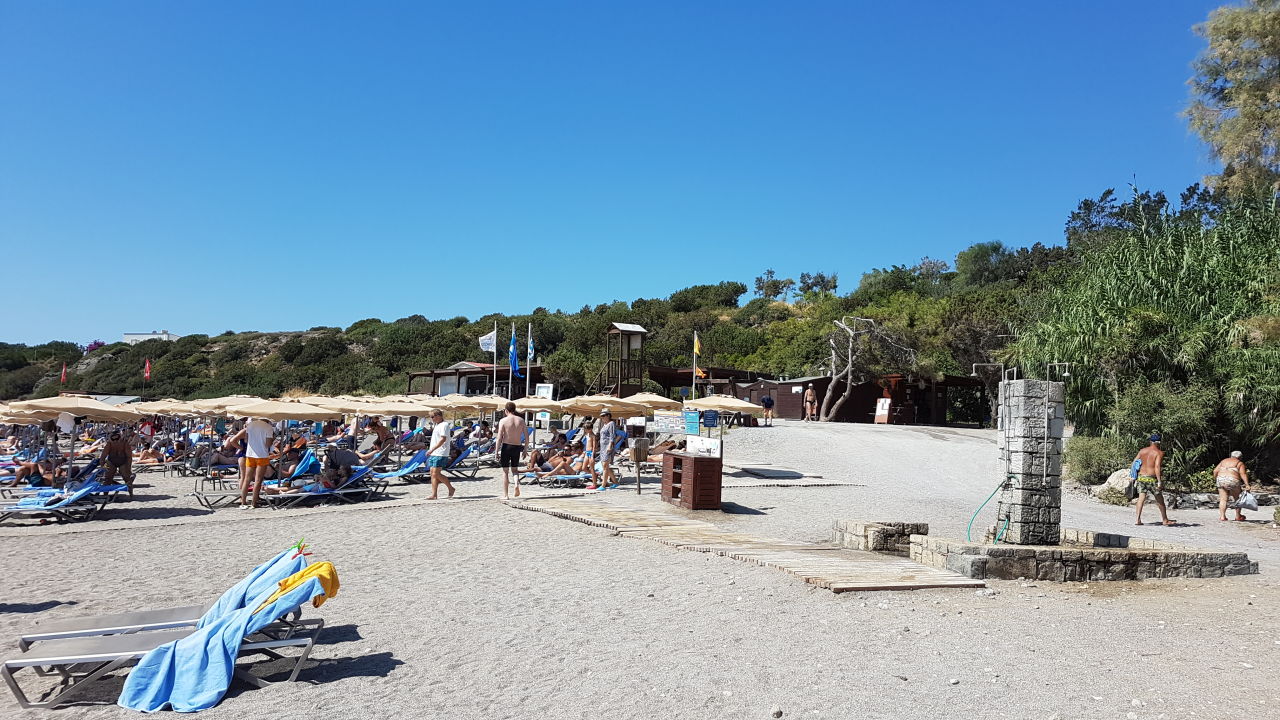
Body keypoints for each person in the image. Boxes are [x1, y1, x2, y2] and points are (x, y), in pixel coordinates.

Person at [227, 417, 275, 509]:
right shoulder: (268, 427)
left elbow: (246, 440)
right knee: (258, 480)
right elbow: (268, 444)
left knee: (247, 479)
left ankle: (243, 501)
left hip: (250, 454)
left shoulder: (250, 426)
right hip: (262, 455)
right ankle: (254, 502)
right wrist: (271, 439)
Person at [1133, 434, 1175, 526]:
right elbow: (1157, 467)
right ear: (1159, 442)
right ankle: (1165, 520)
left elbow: (1134, 462)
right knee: (1160, 500)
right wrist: (1159, 481)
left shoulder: (1142, 451)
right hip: (1151, 479)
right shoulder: (1158, 453)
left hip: (1141, 477)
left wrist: (1134, 475)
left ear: (1150, 441)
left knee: (1141, 498)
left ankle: (1137, 519)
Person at [496, 401, 527, 499]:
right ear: (514, 410)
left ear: (506, 410)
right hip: (517, 447)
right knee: (515, 470)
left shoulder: (503, 421)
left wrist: (496, 451)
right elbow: (527, 436)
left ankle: (506, 495)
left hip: (506, 446)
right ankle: (516, 483)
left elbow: (499, 437)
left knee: (505, 471)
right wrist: (525, 449)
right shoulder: (521, 420)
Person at [426, 409, 456, 500]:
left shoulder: (444, 425)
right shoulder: (437, 425)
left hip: (441, 452)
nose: (432, 419)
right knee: (432, 473)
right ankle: (434, 494)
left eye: (432, 417)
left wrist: (432, 449)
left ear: (438, 416)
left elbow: (443, 439)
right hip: (435, 452)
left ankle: (451, 488)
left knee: (436, 473)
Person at [1213, 450, 1252, 522]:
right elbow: (1243, 474)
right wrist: (1247, 484)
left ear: (1231, 456)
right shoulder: (1239, 463)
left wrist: (1216, 479)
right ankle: (1238, 516)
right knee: (1237, 499)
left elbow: (1215, 471)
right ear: (1240, 457)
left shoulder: (1223, 461)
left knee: (1223, 499)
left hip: (1221, 479)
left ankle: (1222, 517)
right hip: (1232, 480)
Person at [100, 429, 134, 497]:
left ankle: (131, 494)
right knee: (107, 479)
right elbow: (103, 456)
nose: (115, 440)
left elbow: (129, 457)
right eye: (113, 438)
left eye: (117, 438)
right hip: (111, 462)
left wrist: (128, 467)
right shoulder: (109, 444)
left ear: (120, 437)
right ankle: (105, 494)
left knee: (127, 478)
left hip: (123, 462)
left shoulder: (125, 443)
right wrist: (103, 467)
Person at [597, 410, 618, 490]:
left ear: (608, 416)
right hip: (602, 447)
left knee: (605, 466)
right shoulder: (604, 425)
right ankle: (615, 482)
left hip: (607, 447)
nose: (602, 418)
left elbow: (612, 436)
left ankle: (603, 485)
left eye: (603, 416)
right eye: (601, 416)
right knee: (605, 466)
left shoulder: (611, 424)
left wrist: (610, 445)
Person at [579, 419, 598, 488]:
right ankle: (595, 475)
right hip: (587, 452)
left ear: (590, 429)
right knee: (584, 468)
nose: (585, 430)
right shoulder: (587, 434)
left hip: (591, 453)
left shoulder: (593, 436)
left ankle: (594, 484)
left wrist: (593, 455)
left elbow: (594, 446)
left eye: (586, 429)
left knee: (592, 468)